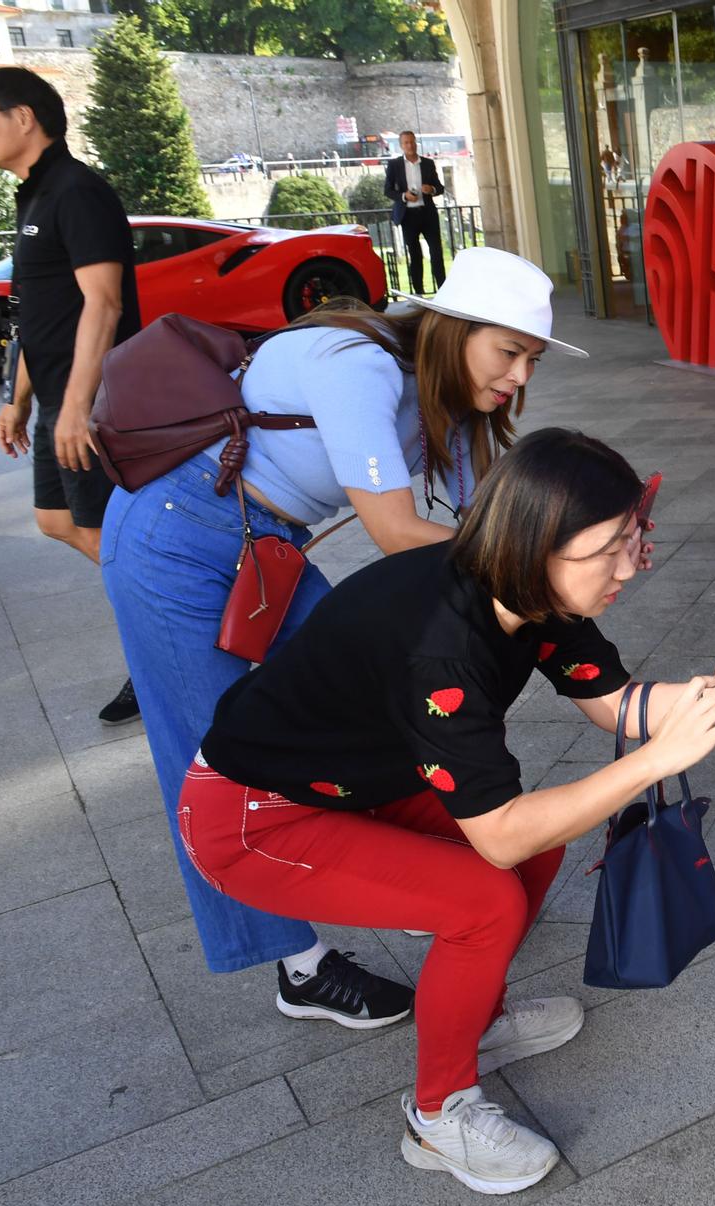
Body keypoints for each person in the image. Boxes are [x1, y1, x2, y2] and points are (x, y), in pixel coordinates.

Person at [178, 429, 715, 1194]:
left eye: (634, 536)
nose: (632, 565)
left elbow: (614, 703)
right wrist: (656, 760)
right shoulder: (443, 645)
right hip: (252, 816)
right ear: (536, 544)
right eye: (612, 548)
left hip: (358, 780)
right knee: (487, 895)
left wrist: (703, 699)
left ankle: (473, 1015)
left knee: (539, 849)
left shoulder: (530, 588)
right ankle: (437, 1115)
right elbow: (499, 831)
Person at [101, 247, 588, 1028]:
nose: (520, 376)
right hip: (175, 532)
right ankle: (299, 966)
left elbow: (477, 528)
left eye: (531, 358)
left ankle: (408, 875)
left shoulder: (449, 393)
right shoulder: (358, 364)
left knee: (353, 699)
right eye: (510, 352)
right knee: (216, 754)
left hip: (265, 543)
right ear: (454, 330)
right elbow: (400, 532)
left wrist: (548, 559)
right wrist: (546, 572)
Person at [0, 66, 142, 724]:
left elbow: (103, 305)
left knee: (107, 530)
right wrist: (17, 399)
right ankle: (169, 602)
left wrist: (76, 406)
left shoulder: (77, 191)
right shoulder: (33, 196)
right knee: (56, 520)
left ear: (24, 118)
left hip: (90, 402)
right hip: (52, 398)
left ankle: (169, 629)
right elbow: (36, 313)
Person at [387, 130, 446, 295]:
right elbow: (387, 190)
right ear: (401, 146)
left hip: (427, 214)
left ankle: (444, 292)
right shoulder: (394, 165)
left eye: (412, 142)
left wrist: (431, 189)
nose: (410, 145)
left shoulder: (427, 163)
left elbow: (440, 188)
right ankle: (419, 293)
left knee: (436, 253)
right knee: (415, 256)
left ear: (416, 143)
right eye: (406, 143)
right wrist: (403, 196)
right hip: (408, 216)